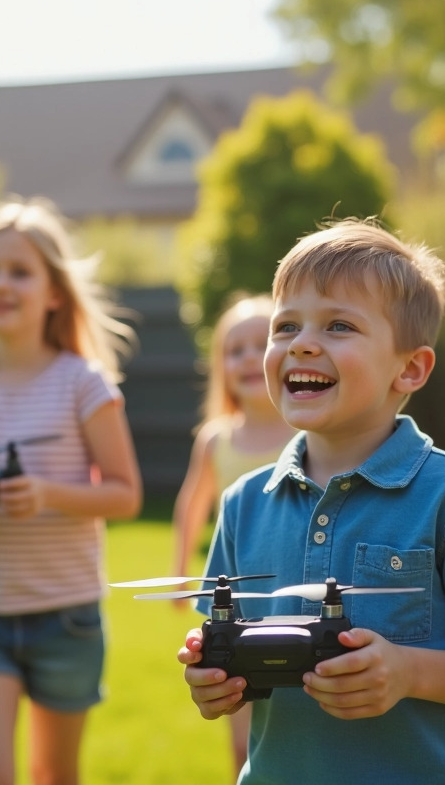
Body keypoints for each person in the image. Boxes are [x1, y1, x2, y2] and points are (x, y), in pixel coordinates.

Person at [177, 221, 445, 784]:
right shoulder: (242, 504)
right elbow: (230, 656)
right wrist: (215, 681)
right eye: (286, 326)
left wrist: (408, 672)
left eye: (338, 325)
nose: (301, 343)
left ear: (410, 368)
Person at [0, 196, 142, 785]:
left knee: (53, 777)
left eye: (19, 271)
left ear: (54, 292)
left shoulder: (83, 383)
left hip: (65, 617)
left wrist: (47, 495)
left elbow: (125, 495)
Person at [170, 294, 296, 779]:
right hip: (240, 610)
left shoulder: (306, 434)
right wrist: (183, 573)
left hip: (297, 597)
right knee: (243, 741)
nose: (246, 357)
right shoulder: (216, 439)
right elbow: (191, 505)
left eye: (257, 343)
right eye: (233, 348)